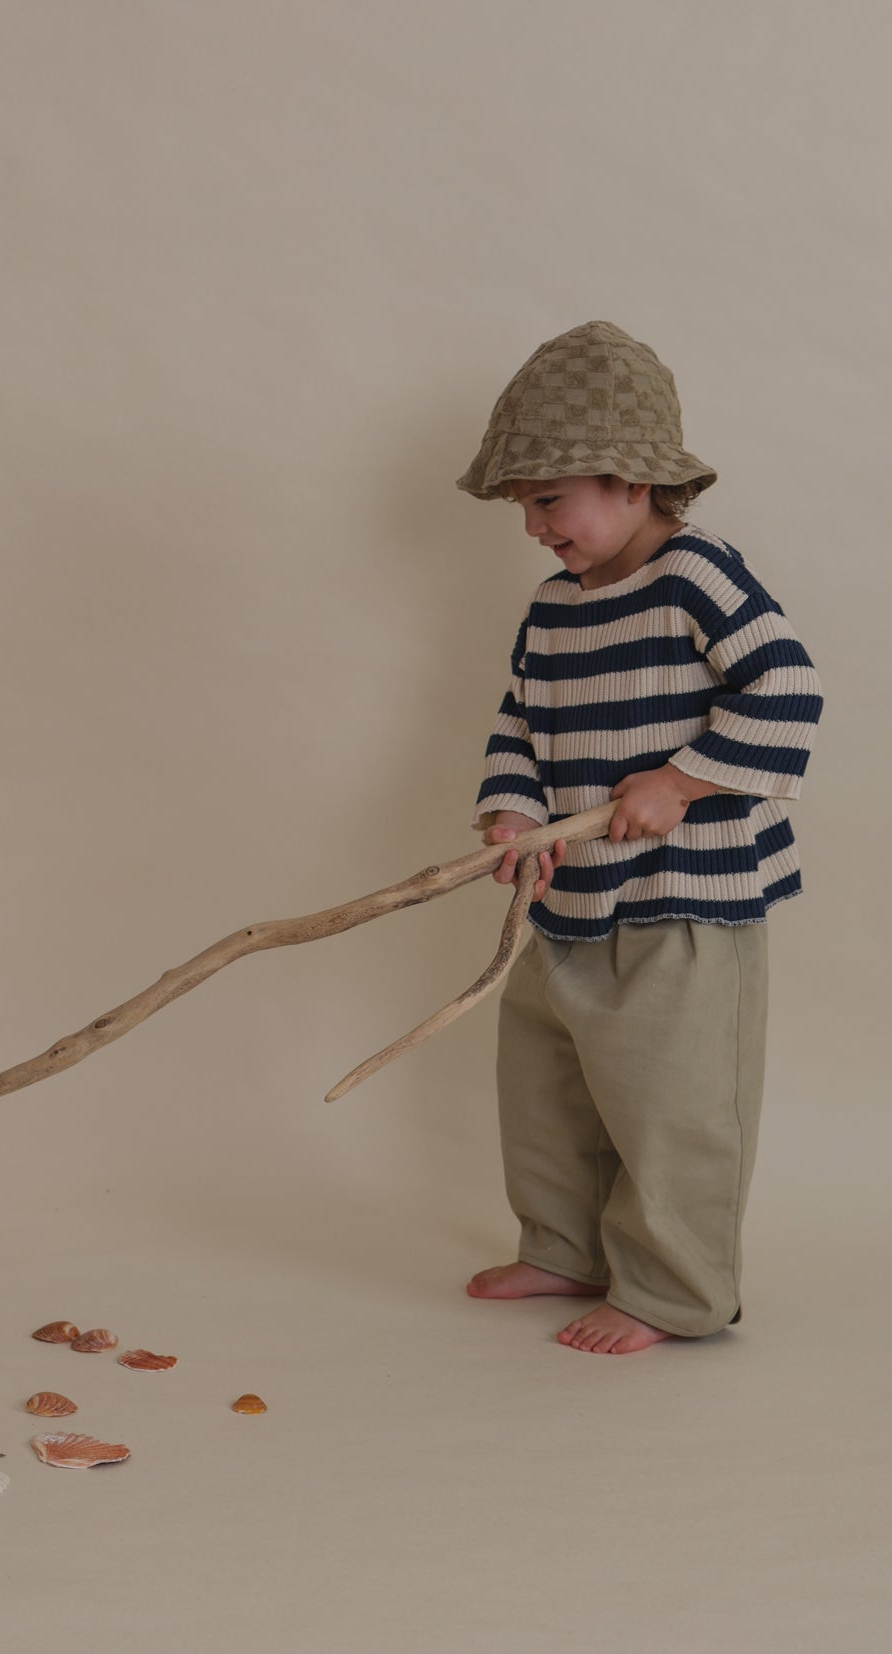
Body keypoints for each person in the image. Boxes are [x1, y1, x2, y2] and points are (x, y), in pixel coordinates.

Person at [454, 320, 822, 1355]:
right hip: (570, 902)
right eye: (524, 506)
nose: (532, 527)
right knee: (546, 1086)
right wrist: (513, 812)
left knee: (672, 1106)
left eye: (544, 500)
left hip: (686, 903)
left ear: (627, 481)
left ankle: (673, 1288)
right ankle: (563, 1241)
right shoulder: (553, 609)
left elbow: (787, 686)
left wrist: (686, 777)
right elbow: (516, 724)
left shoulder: (699, 576)